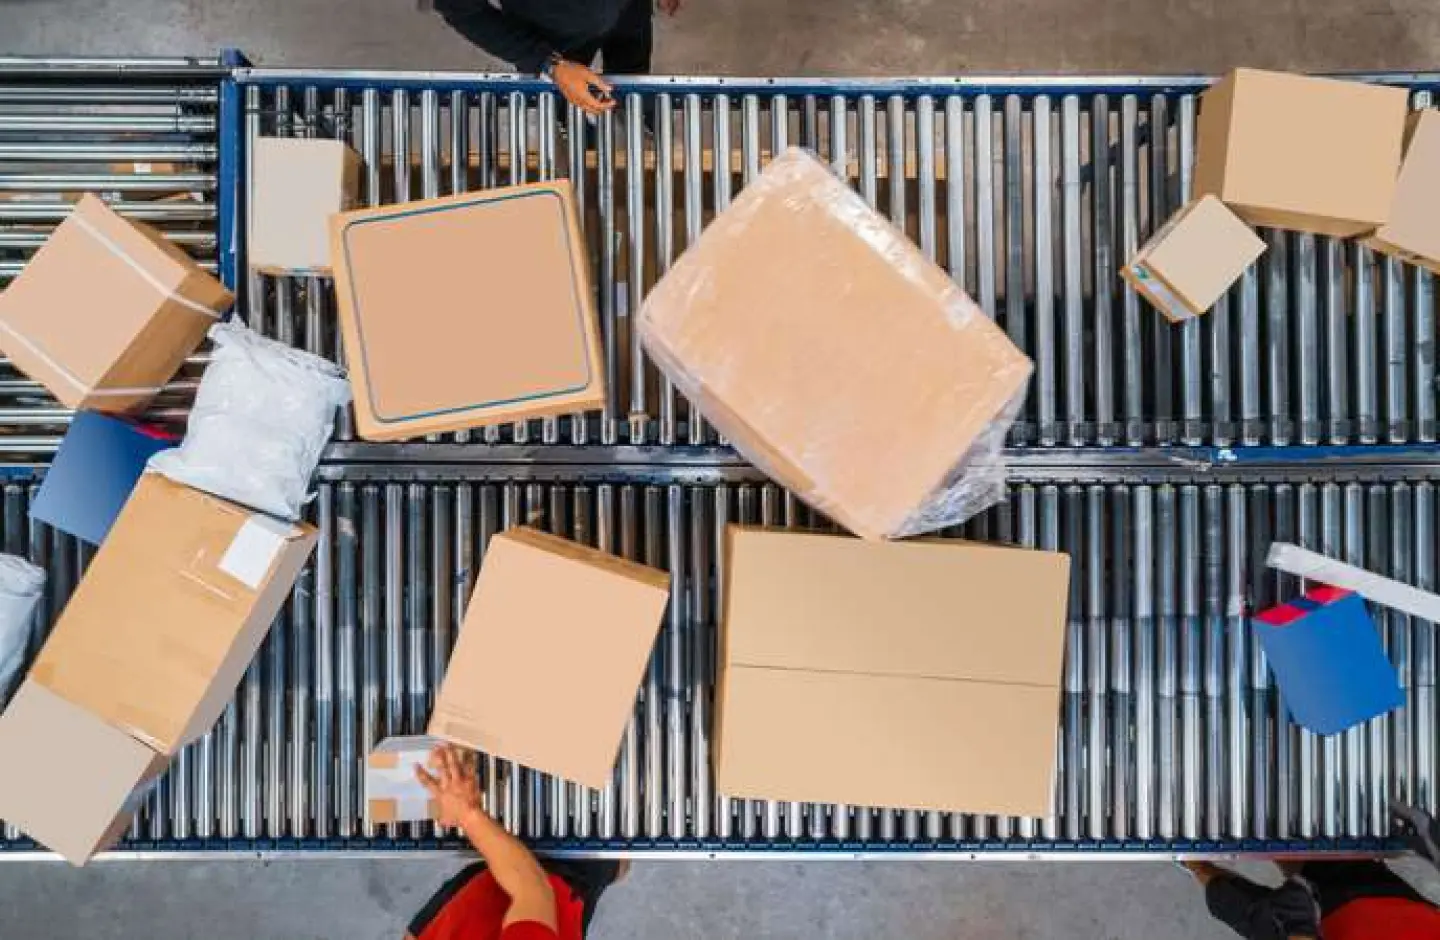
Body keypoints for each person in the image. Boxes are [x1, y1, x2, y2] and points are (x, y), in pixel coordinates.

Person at [406, 743, 624, 940]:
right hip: (557, 881)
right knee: (609, 857)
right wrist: (466, 814)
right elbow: (534, 890)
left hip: (467, 910)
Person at [1183, 801, 1440, 940]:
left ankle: (1193, 861)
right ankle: (1272, 836)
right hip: (1388, 907)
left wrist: (1299, 928)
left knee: (1228, 898)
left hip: (1316, 929)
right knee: (1299, 853)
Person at [433, 0, 681, 116]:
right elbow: (460, 9)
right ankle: (567, 126)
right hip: (552, 34)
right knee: (566, 105)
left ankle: (635, 120)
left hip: (629, 11)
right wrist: (548, 64)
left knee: (631, 70)